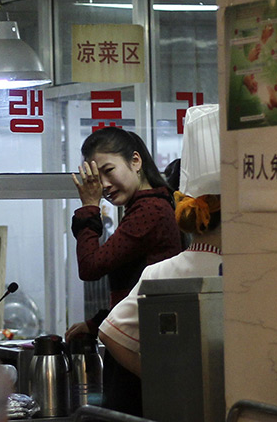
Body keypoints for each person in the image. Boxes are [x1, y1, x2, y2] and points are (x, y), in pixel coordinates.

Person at [98, 104, 222, 378]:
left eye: (108, 171)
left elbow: (110, 332)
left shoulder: (161, 271)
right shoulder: (152, 215)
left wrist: (164, 381)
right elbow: (94, 266)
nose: (104, 185)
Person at [67, 126, 182, 416]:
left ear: (135, 161)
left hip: (141, 347)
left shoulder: (150, 210)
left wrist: (89, 207)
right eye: (96, 177)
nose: (103, 184)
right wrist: (96, 323)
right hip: (138, 340)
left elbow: (91, 266)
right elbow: (136, 288)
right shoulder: (147, 205)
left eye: (108, 170)